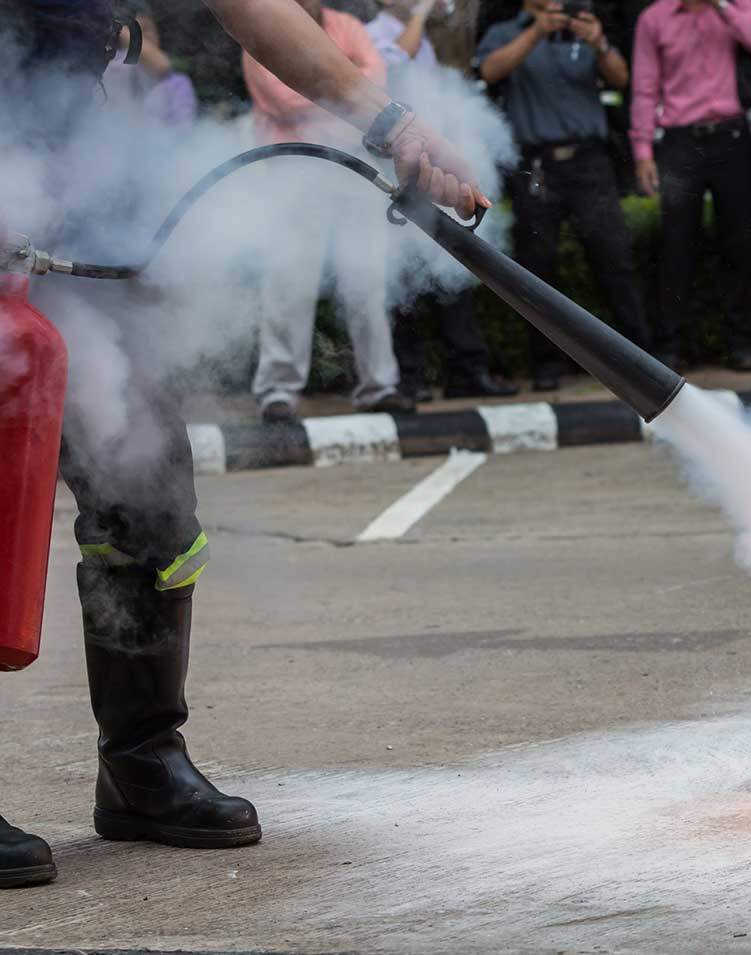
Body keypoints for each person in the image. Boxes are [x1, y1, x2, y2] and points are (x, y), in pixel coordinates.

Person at [0, 0, 487, 890]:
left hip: (65, 180)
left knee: (148, 489)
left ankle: (141, 760)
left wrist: (393, 122)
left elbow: (252, 6)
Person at [242, 0, 414, 423]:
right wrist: (346, 88)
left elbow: (378, 81)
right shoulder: (259, 27)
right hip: (294, 171)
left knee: (368, 280)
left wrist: (327, 89)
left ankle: (380, 385)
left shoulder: (349, 26)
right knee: (288, 283)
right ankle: (277, 391)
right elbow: (282, 98)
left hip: (354, 170)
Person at [477, 0, 651, 392]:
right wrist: (536, 32)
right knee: (538, 264)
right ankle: (545, 365)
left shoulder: (584, 28)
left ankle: (642, 360)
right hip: (537, 165)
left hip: (589, 160)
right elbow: (490, 70)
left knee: (614, 256)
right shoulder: (506, 32)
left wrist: (600, 44)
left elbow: (622, 79)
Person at [369, 0, 517, 401]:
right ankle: (410, 378)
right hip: (401, 164)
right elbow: (394, 62)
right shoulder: (375, 35)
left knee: (452, 265)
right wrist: (419, 14)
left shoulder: (429, 43)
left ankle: (466, 369)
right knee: (404, 281)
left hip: (433, 161)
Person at [631, 0, 751, 373]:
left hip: (731, 136)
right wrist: (643, 151)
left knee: (739, 242)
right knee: (676, 244)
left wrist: (724, 7)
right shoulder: (655, 17)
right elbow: (645, 87)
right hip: (681, 142)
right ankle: (672, 345)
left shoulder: (738, 5)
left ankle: (740, 343)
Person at [102, 9, 198, 126]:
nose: (141, 37)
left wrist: (124, 32)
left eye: (147, 30)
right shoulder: (115, 67)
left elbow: (161, 65)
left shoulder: (177, 83)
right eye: (136, 32)